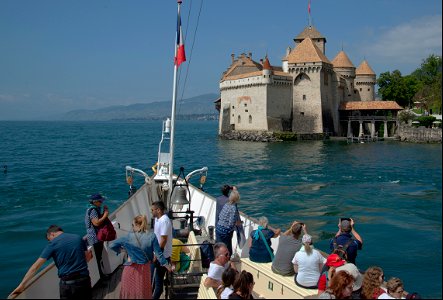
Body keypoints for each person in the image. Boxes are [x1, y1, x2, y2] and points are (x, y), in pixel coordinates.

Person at [10, 225, 93, 299]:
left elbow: (35, 267)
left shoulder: (53, 244)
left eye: (49, 239)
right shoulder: (78, 238)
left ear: (52, 234)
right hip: (84, 281)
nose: (49, 241)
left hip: (68, 285)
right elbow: (87, 258)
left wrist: (22, 285)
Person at [109, 215, 171, 299]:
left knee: (129, 294)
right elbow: (159, 254)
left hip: (130, 269)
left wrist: (122, 250)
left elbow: (112, 245)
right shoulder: (152, 236)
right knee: (142, 294)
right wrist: (167, 266)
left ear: (135, 224)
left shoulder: (128, 237)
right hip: (144, 270)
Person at [150, 200, 173, 299]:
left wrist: (156, 255)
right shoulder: (157, 219)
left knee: (158, 283)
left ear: (158, 210)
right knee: (152, 280)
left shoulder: (164, 221)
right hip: (157, 254)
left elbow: (163, 240)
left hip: (161, 256)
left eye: (153, 210)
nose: (151, 212)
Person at [84, 193, 109, 279]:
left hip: (95, 237)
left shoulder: (92, 209)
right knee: (98, 257)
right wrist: (105, 214)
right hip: (95, 238)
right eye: (100, 201)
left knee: (99, 257)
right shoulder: (93, 210)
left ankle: (101, 275)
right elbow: (96, 222)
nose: (101, 202)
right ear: (95, 202)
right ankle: (101, 276)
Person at [216, 188, 242, 256]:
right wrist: (239, 223)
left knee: (219, 247)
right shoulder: (233, 208)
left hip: (218, 228)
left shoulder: (226, 204)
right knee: (228, 248)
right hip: (225, 232)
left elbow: (220, 216)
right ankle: (228, 261)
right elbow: (230, 224)